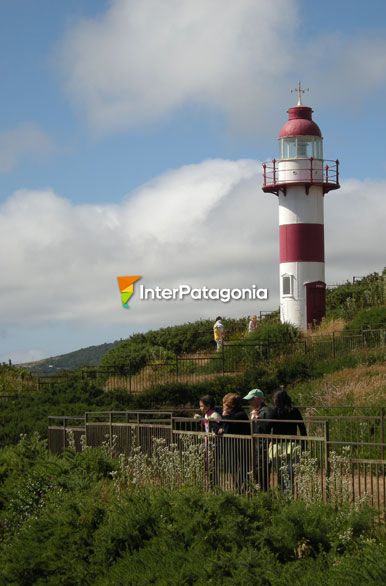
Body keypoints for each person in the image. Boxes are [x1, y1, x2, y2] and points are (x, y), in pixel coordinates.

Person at [269, 389, 307, 493]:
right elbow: (302, 428)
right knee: (290, 474)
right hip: (292, 445)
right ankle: (288, 493)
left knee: (280, 473)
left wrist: (268, 441)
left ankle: (282, 493)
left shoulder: (274, 411)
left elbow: (267, 427)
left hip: (277, 446)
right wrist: (304, 445)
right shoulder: (294, 410)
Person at [217, 393, 250, 492]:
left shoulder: (240, 414)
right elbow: (222, 426)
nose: (223, 406)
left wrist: (225, 417)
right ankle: (237, 488)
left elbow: (229, 428)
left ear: (231, 405)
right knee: (232, 469)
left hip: (240, 445)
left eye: (225, 404)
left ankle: (241, 489)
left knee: (241, 468)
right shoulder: (230, 414)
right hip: (231, 445)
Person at [243, 388, 271, 490]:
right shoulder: (255, 411)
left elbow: (267, 426)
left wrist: (257, 418)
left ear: (259, 399)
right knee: (256, 471)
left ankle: (264, 493)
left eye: (251, 399)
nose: (249, 402)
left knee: (262, 471)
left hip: (263, 446)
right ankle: (258, 492)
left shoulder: (266, 411)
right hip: (256, 446)